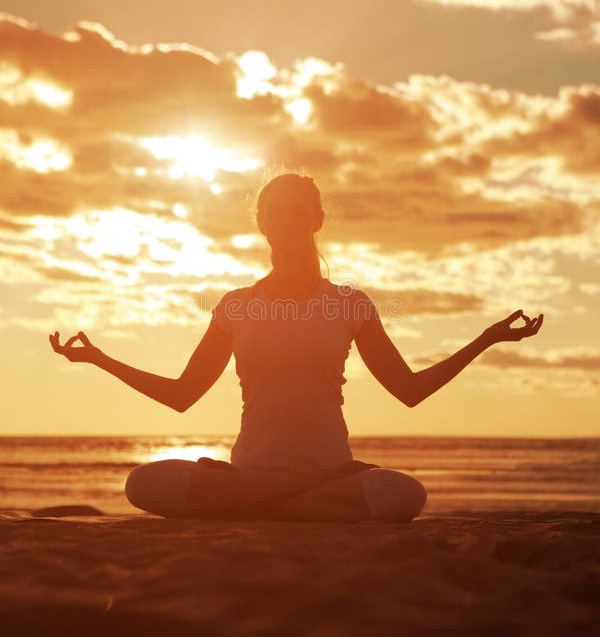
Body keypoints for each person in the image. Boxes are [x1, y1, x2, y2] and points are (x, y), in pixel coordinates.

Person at [49, 172, 543, 522]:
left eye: (297, 211)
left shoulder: (350, 304)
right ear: (262, 223)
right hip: (254, 474)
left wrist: (487, 338)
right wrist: (99, 359)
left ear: (317, 219)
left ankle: (261, 506)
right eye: (275, 212)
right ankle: (285, 498)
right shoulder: (237, 305)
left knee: (404, 494)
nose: (286, 220)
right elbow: (183, 394)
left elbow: (409, 389)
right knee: (142, 483)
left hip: (327, 473)